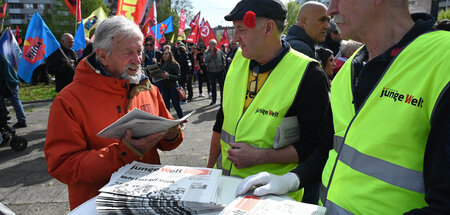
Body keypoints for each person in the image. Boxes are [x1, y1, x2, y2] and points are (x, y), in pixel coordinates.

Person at [236, 0, 450, 213]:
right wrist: (292, 179)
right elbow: (328, 148)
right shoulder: (351, 68)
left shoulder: (443, 59)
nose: (331, 10)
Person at [44, 16, 184, 210]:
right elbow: (63, 166)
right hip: (99, 207)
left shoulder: (147, 87)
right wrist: (123, 152)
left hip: (148, 200)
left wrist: (172, 134)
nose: (137, 60)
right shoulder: (69, 100)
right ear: (102, 56)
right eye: (128, 52)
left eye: (140, 51)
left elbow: (168, 142)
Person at [207, 0, 332, 202]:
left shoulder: (308, 74)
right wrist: (208, 174)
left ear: (268, 28)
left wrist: (262, 156)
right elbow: (221, 122)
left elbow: (315, 146)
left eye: (241, 30)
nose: (235, 39)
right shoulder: (238, 60)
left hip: (271, 198)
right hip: (223, 188)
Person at [0, 55, 26, 128]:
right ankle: (22, 120)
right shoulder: (9, 54)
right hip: (13, 80)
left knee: (2, 101)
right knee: (16, 101)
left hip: (5, 82)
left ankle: (4, 119)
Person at [158, 49, 184, 119]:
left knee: (176, 105)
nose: (164, 55)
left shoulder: (175, 64)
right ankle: (169, 121)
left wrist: (168, 76)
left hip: (173, 87)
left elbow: (179, 77)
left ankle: (182, 120)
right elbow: (160, 76)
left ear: (170, 55)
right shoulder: (162, 64)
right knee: (166, 106)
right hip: (164, 87)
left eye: (166, 54)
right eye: (163, 54)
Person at [204, 39, 226, 105]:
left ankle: (222, 100)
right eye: (212, 44)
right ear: (209, 45)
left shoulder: (219, 51)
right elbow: (206, 60)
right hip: (211, 71)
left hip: (220, 71)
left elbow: (223, 60)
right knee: (213, 87)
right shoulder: (206, 52)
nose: (213, 46)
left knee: (222, 87)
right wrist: (211, 52)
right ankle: (214, 100)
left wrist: (223, 67)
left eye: (214, 44)